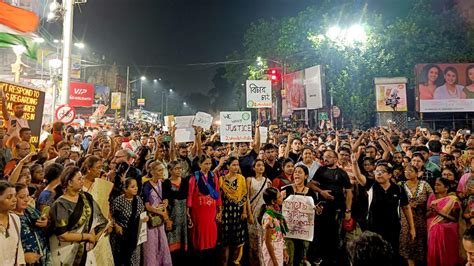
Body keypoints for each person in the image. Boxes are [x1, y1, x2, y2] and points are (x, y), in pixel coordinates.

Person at [353, 159, 415, 262]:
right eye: (376, 171)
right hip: (373, 227)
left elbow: (406, 207)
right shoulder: (372, 186)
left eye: (382, 171)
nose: (379, 174)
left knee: (391, 254)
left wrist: (412, 227)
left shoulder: (398, 189)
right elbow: (359, 177)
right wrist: (355, 163)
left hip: (392, 228)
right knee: (374, 255)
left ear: (390, 175)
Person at [49, 166, 108, 265]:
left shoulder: (87, 197)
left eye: (82, 178)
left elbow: (94, 220)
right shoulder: (61, 204)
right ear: (69, 183)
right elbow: (62, 235)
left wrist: (92, 238)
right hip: (63, 251)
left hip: (84, 249)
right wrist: (86, 236)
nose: (82, 181)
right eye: (79, 179)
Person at [309, 150, 352, 265]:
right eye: (324, 156)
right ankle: (323, 259)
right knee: (322, 233)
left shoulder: (342, 173)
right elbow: (310, 184)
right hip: (323, 208)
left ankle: (335, 260)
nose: (326, 158)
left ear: (335, 159)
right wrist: (321, 192)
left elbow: (349, 192)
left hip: (338, 208)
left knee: (336, 235)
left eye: (329, 156)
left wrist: (348, 210)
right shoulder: (321, 170)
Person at [282, 165, 320, 266]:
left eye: (300, 172)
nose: (296, 174)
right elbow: (277, 205)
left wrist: (318, 210)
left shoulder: (311, 193)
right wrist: (279, 199)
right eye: (295, 172)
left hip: (303, 232)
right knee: (288, 258)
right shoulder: (285, 190)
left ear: (306, 176)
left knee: (301, 258)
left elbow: (315, 210)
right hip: (288, 231)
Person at [187, 155, 222, 263]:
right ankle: (199, 254)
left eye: (209, 164)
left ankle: (210, 253)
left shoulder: (214, 176)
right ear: (199, 164)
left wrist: (219, 208)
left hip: (211, 209)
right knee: (200, 231)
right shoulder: (194, 177)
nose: (208, 166)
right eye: (205, 164)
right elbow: (190, 195)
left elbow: (217, 192)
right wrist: (188, 211)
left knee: (211, 230)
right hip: (198, 210)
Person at [399, 165, 433, 266]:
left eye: (410, 170)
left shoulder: (425, 184)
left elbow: (432, 199)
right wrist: (407, 205)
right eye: (406, 171)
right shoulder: (400, 185)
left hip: (422, 219)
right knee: (408, 245)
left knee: (421, 244)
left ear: (417, 173)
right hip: (406, 220)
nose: (407, 172)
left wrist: (423, 206)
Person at [219, 157, 249, 265]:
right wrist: (219, 212)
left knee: (238, 241)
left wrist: (244, 211)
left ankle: (236, 261)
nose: (236, 167)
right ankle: (224, 263)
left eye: (237, 165)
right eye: (233, 165)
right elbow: (219, 197)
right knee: (225, 242)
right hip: (225, 212)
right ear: (228, 166)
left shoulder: (241, 178)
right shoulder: (221, 179)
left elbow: (244, 196)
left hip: (238, 212)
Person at [142, 160, 173, 266]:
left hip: (160, 220)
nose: (162, 172)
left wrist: (165, 204)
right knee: (151, 245)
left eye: (162, 170)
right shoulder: (146, 185)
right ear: (152, 172)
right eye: (159, 170)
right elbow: (147, 206)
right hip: (151, 220)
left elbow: (165, 199)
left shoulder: (162, 183)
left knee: (161, 243)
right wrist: (160, 212)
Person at [111, 178, 147, 266]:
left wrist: (145, 218)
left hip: (136, 235)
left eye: (136, 186)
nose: (136, 188)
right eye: (132, 187)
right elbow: (110, 216)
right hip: (123, 236)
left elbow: (142, 213)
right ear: (125, 189)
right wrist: (116, 225)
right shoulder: (118, 201)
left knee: (134, 260)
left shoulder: (138, 200)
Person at [427, 177, 461, 266]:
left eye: (439, 185)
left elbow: (455, 219)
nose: (435, 186)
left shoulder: (453, 200)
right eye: (435, 184)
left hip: (448, 232)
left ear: (446, 188)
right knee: (434, 254)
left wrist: (439, 212)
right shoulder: (433, 198)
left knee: (447, 255)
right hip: (434, 231)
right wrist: (431, 211)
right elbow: (426, 215)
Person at [14, 183, 51, 265]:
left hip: (43, 258)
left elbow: (45, 221)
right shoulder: (10, 218)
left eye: (27, 196)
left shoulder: (30, 210)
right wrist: (22, 257)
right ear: (13, 198)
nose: (26, 199)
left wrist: (46, 223)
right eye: (22, 197)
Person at [162, 161, 189, 264]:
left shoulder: (185, 181)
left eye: (180, 168)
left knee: (183, 243)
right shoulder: (166, 183)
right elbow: (164, 201)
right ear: (170, 170)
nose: (179, 170)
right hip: (172, 216)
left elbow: (186, 198)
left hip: (183, 217)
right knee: (171, 244)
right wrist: (167, 219)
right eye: (176, 168)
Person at [247, 159, 272, 266]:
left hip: (264, 214)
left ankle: (264, 262)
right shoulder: (249, 180)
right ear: (253, 168)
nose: (261, 167)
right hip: (252, 212)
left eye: (262, 165)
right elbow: (246, 198)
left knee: (264, 240)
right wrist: (249, 214)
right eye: (258, 165)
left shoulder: (268, 181)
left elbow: (270, 200)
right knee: (253, 241)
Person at [259, 187, 288, 266]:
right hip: (271, 253)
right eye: (279, 196)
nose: (282, 197)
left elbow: (279, 234)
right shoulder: (268, 218)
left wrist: (284, 250)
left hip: (278, 250)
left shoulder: (276, 213)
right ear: (273, 201)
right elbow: (268, 242)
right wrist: (275, 262)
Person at [0, 181, 25, 265]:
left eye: (14, 195)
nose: (14, 200)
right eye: (9, 197)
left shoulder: (15, 219)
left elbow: (19, 251)